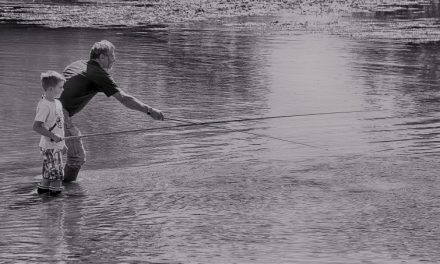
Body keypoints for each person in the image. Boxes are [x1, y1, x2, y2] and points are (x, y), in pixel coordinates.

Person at [60, 40, 164, 182]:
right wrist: (150, 111)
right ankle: (66, 191)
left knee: (53, 153)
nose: (114, 59)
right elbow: (124, 98)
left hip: (46, 107)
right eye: (111, 56)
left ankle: (50, 187)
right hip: (58, 113)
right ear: (101, 57)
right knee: (77, 157)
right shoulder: (98, 73)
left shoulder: (77, 64)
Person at [33, 71, 67, 195]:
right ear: (51, 89)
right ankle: (55, 207)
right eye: (60, 87)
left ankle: (42, 200)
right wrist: (53, 136)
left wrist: (63, 143)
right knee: (57, 177)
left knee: (48, 177)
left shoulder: (57, 103)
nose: (63, 89)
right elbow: (36, 127)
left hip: (56, 146)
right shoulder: (44, 105)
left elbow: (59, 126)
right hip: (50, 147)